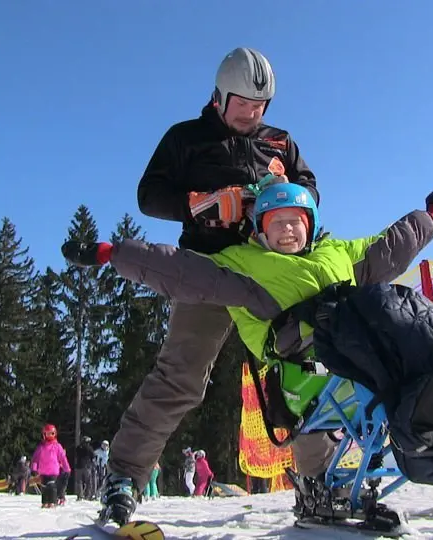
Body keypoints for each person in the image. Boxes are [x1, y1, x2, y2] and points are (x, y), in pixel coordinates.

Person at [62, 183, 433, 523]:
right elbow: (177, 269)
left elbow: (391, 246)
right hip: (297, 369)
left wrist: (430, 216)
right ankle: (321, 483)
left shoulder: (337, 252)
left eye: (295, 220)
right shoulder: (242, 264)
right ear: (258, 229)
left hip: (352, 362)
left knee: (401, 316)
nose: (287, 229)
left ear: (311, 224)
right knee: (323, 393)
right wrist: (111, 254)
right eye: (275, 221)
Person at [96, 46, 317, 524]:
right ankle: (124, 478)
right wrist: (202, 203)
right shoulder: (186, 138)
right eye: (243, 104)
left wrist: (279, 201)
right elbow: (149, 195)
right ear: (219, 95)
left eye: (260, 106)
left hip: (270, 272)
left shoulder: (279, 142)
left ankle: (318, 483)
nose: (252, 114)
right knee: (180, 377)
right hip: (208, 273)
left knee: (303, 371)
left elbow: (310, 188)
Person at [30, 424, 71, 508]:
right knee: (44, 487)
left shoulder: (57, 446)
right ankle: (45, 502)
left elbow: (63, 458)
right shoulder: (41, 447)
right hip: (43, 471)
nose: (49, 436)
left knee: (52, 486)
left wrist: (67, 468)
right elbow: (35, 459)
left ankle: (52, 502)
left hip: (53, 471)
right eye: (47, 434)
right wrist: (34, 469)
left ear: (54, 434)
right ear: (44, 434)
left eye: (51, 434)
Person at [74, 436, 96, 500]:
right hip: (87, 466)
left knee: (79, 482)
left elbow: (76, 455)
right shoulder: (89, 448)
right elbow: (93, 456)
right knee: (88, 482)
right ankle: (87, 495)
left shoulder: (78, 448)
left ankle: (80, 495)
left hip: (79, 466)